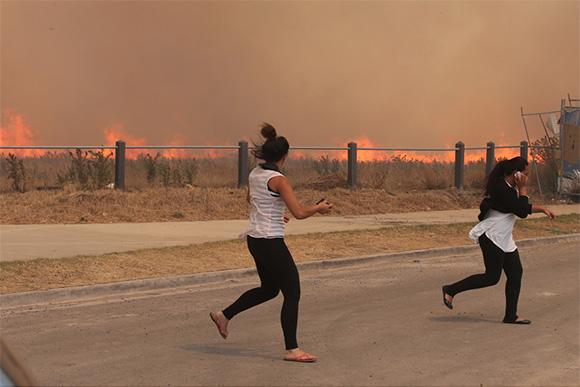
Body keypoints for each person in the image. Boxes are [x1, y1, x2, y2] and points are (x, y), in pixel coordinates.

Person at [210, 123, 333, 362]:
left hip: (255, 239)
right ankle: (292, 349)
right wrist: (318, 208)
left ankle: (224, 316)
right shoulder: (279, 179)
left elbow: (252, 199)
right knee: (293, 292)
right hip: (270, 241)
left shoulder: (255, 174)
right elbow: (299, 212)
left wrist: (275, 212)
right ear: (284, 156)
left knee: (269, 289)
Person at [441, 156, 555, 324]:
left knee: (516, 274)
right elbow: (521, 211)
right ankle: (450, 289)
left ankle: (511, 315)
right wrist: (523, 188)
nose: (526, 177)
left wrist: (543, 209)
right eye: (525, 173)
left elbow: (520, 207)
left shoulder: (509, 188)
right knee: (491, 277)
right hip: (491, 237)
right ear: (516, 174)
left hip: (504, 239)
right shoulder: (501, 188)